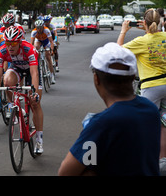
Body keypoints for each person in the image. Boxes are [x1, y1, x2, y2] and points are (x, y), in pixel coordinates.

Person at [58, 42, 161, 175]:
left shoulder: (101, 123)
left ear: (97, 79)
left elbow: (65, 172)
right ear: (132, 78)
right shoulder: (151, 109)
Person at [117, 8, 166, 166]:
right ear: (161, 22)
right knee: (163, 125)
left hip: (151, 86)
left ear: (144, 22)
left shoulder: (142, 41)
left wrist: (124, 31)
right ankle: (163, 161)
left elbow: (117, 52)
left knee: (146, 126)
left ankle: (146, 162)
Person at [0, 26, 44, 154]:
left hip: (32, 70)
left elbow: (34, 74)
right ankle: (13, 104)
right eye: (8, 43)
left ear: (20, 42)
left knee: (35, 103)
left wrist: (35, 94)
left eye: (14, 43)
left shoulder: (29, 49)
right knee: (7, 80)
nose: (10, 46)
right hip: (17, 68)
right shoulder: (1, 51)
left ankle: (39, 140)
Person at [31, 19, 56, 84]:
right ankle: (39, 59)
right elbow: (31, 45)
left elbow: (51, 42)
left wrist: (51, 50)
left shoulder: (46, 30)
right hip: (39, 41)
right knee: (36, 47)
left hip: (46, 41)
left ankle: (52, 75)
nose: (39, 29)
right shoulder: (34, 32)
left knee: (48, 57)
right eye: (37, 28)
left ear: (43, 27)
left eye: (40, 28)